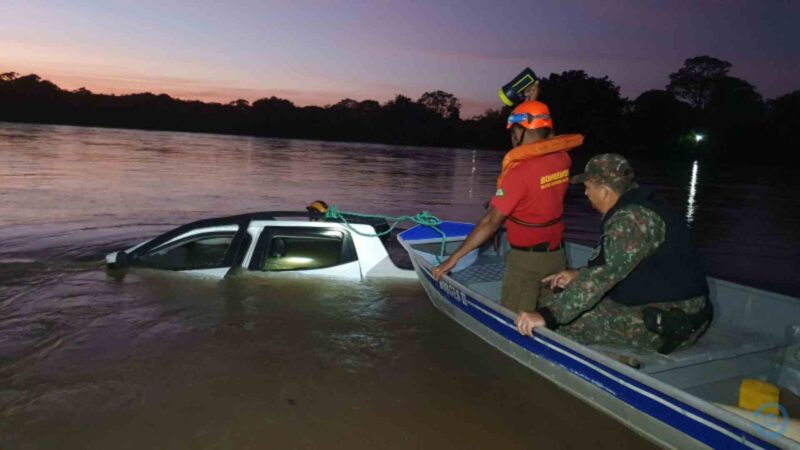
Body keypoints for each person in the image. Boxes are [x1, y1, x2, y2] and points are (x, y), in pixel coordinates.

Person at [514, 154, 712, 354]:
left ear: (605, 191)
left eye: (588, 187)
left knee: (561, 322)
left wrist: (547, 316)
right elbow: (617, 262)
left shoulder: (630, 220)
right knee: (555, 294)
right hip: (669, 303)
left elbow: (601, 278)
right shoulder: (642, 204)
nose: (585, 193)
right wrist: (579, 274)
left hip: (672, 321)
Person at [432, 94, 576, 313]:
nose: (512, 135)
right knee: (547, 314)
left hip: (526, 263)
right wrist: (532, 102)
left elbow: (491, 222)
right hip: (557, 257)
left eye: (513, 130)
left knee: (516, 320)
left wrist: (453, 259)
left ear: (519, 131)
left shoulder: (519, 173)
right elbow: (538, 190)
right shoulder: (563, 158)